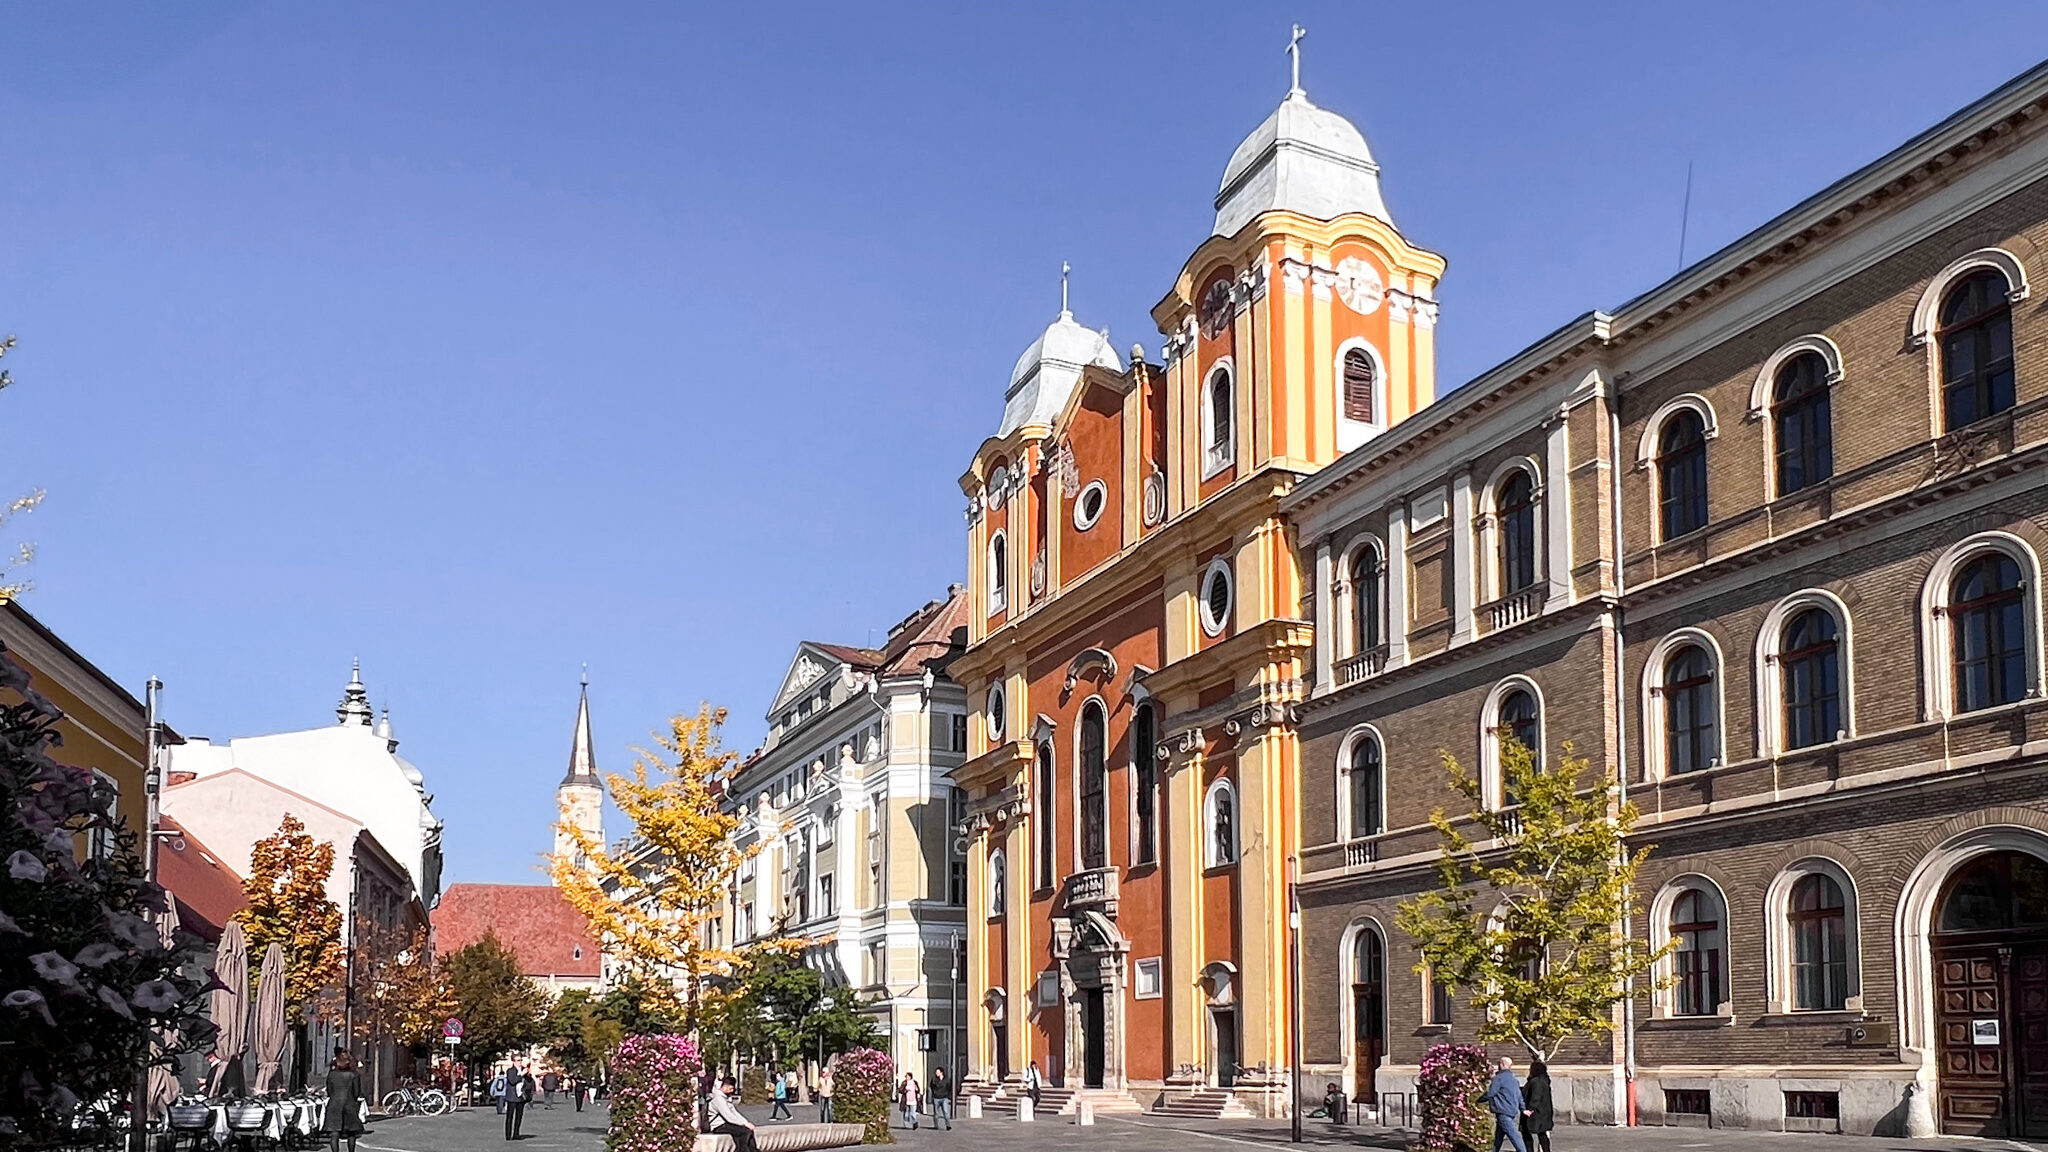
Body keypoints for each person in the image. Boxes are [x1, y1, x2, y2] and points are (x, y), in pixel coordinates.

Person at [1481, 1056, 1530, 1152]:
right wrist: (1523, 1108)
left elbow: (1491, 1093)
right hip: (1511, 1110)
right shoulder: (1514, 1079)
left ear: (1502, 1064)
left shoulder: (1498, 1078)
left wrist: (1479, 1100)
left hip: (1502, 1110)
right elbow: (1519, 1095)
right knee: (1498, 1138)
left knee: (1514, 1136)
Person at [321, 1049, 365, 1152]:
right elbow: (357, 1092)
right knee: (351, 1133)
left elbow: (329, 1091)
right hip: (349, 1104)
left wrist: (335, 1097)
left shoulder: (332, 1075)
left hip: (334, 1105)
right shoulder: (354, 1075)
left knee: (334, 1133)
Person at [706, 1076, 758, 1152]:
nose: (732, 1091)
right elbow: (729, 1116)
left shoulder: (725, 1098)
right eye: (730, 1089)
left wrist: (746, 1122)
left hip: (726, 1124)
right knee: (744, 1132)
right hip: (718, 1126)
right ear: (724, 1087)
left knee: (748, 1131)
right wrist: (744, 1124)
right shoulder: (718, 1099)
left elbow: (734, 1113)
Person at [1521, 1060, 1554, 1152]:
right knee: (1542, 1133)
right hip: (1544, 1112)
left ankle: (1530, 1150)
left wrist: (1530, 1109)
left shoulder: (1536, 1081)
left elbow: (1536, 1096)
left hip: (1536, 1112)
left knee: (1526, 1131)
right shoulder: (1544, 1080)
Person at [503, 1063, 530, 1141]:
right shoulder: (510, 1071)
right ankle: (508, 1135)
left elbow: (529, 1082)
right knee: (510, 1116)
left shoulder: (524, 1070)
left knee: (519, 1116)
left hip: (521, 1097)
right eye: (518, 1060)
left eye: (521, 1060)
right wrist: (521, 1074)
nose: (520, 1062)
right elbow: (512, 1081)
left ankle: (516, 1133)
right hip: (512, 1096)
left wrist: (528, 1075)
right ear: (514, 1061)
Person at [928, 1065, 952, 1131]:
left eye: (938, 1072)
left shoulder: (946, 1080)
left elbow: (949, 1087)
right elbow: (931, 1087)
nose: (936, 1073)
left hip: (944, 1097)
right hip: (936, 1097)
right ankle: (936, 1125)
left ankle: (948, 1125)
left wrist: (948, 1095)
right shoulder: (934, 1079)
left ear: (941, 1072)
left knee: (946, 1112)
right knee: (936, 1113)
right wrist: (934, 1093)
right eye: (936, 1072)